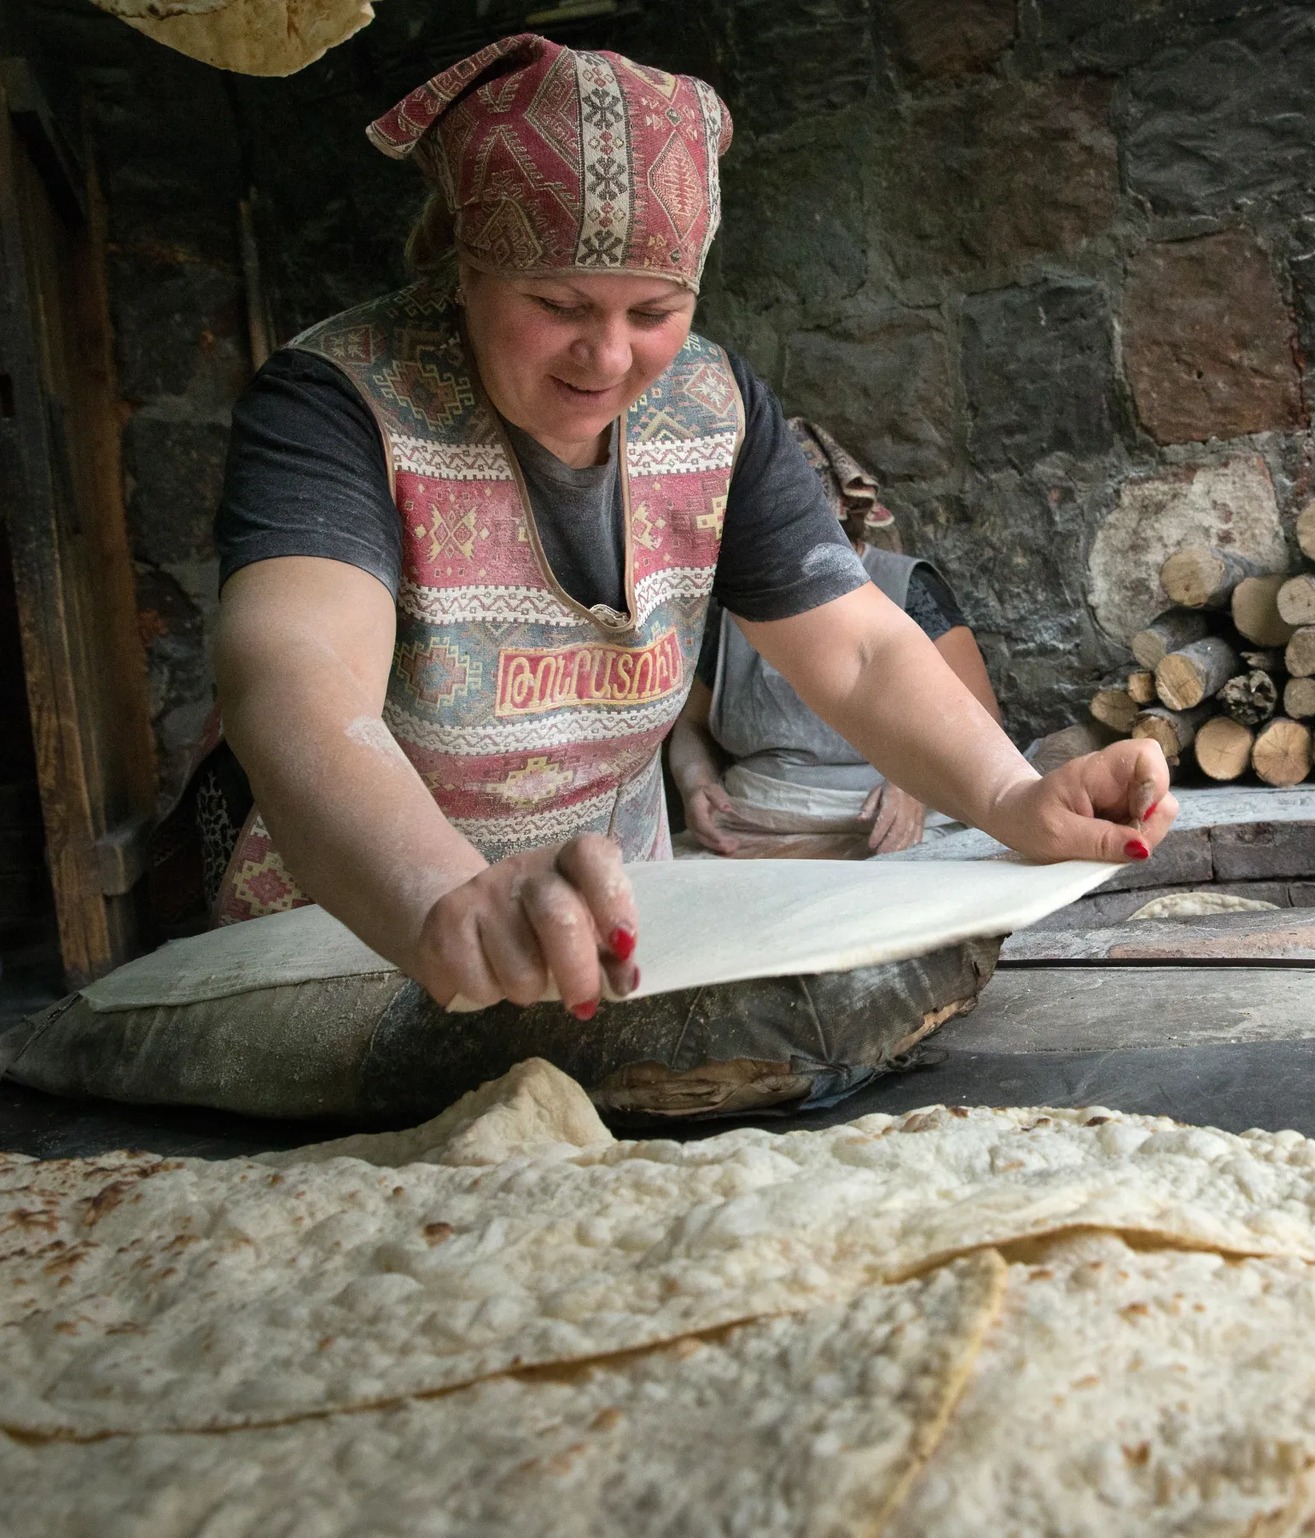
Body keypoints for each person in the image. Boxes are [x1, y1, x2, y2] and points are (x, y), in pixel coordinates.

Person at [209, 34, 1176, 1021]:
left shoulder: (715, 408)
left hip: (612, 956)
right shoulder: (337, 404)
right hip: (352, 948)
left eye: (654, 312)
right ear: (466, 266)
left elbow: (856, 649)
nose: (607, 356)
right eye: (556, 303)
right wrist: (441, 899)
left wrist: (1014, 799)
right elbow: (294, 676)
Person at [670, 418, 998, 858]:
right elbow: (691, 724)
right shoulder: (733, 607)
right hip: (754, 823)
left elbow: (984, 719)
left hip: (888, 826)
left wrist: (917, 788)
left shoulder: (905, 586)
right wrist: (696, 782)